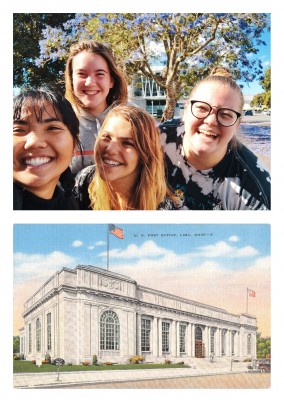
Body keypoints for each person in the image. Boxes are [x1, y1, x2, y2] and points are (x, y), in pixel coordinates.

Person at [160, 66, 271, 210]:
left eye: (225, 114)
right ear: (186, 111)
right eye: (202, 108)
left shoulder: (255, 191)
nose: (211, 121)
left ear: (237, 124)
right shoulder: (155, 139)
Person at [73, 105, 183, 210]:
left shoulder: (165, 210)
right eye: (107, 137)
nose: (110, 149)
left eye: (127, 143)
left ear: (145, 154)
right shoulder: (84, 182)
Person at [65, 40, 128, 175]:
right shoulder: (60, 124)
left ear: (111, 81)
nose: (90, 82)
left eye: (100, 74)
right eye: (82, 74)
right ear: (71, 79)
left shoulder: (132, 123)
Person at [13, 86, 81, 210]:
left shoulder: (70, 206)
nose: (34, 142)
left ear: (74, 144)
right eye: (18, 130)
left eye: (52, 128)